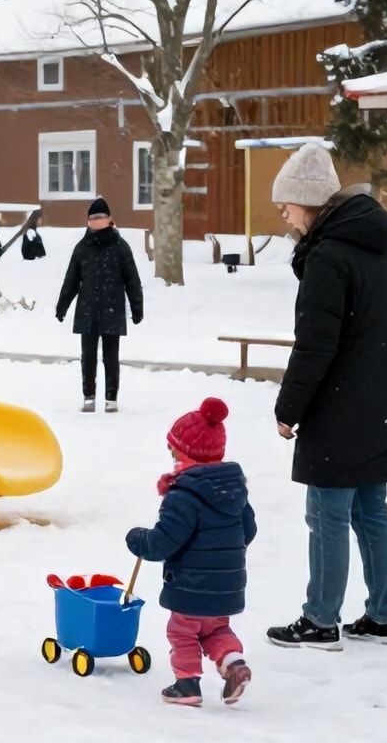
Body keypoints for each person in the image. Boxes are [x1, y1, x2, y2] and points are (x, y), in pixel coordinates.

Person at [263, 142, 387, 651]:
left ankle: (321, 620)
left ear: (308, 202)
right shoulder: (379, 250)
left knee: (327, 511)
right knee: (371, 509)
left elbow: (315, 344)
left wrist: (289, 409)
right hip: (385, 400)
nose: (284, 215)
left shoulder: (327, 257)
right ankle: (384, 616)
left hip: (343, 403)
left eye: (286, 205)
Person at [126, 397, 256, 708]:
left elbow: (162, 543)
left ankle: (187, 684)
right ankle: (234, 664)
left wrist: (139, 539)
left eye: (174, 450)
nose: (171, 455)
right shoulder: (234, 491)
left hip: (190, 586)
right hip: (226, 586)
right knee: (216, 629)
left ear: (187, 454)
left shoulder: (183, 495)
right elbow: (247, 531)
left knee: (182, 632)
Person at [55, 197, 144, 413]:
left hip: (113, 309)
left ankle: (111, 398)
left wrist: (137, 307)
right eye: (93, 218)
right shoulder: (82, 248)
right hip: (87, 309)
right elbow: (72, 280)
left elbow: (132, 279)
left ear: (110, 219)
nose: (96, 221)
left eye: (101, 217)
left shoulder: (120, 247)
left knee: (111, 356)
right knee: (88, 357)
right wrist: (62, 306)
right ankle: (89, 396)